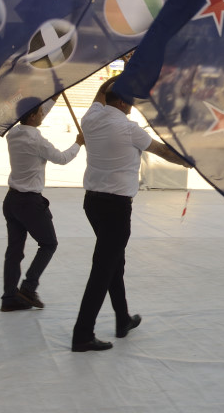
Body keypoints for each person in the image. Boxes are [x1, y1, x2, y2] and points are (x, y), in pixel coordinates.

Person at [71, 75, 191, 352]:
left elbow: (101, 91)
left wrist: (124, 73)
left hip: (93, 203)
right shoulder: (128, 128)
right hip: (115, 207)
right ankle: (82, 334)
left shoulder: (91, 117)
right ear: (123, 102)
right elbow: (163, 151)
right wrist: (191, 161)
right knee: (103, 270)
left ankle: (122, 318)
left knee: (114, 263)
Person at [1, 96, 83, 312]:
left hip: (11, 200)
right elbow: (62, 158)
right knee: (49, 244)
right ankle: (28, 287)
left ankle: (9, 296)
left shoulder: (13, 134)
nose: (43, 115)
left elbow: (35, 112)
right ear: (31, 115)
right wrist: (78, 143)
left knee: (14, 250)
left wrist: (53, 95)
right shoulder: (36, 140)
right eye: (40, 113)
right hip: (30, 203)